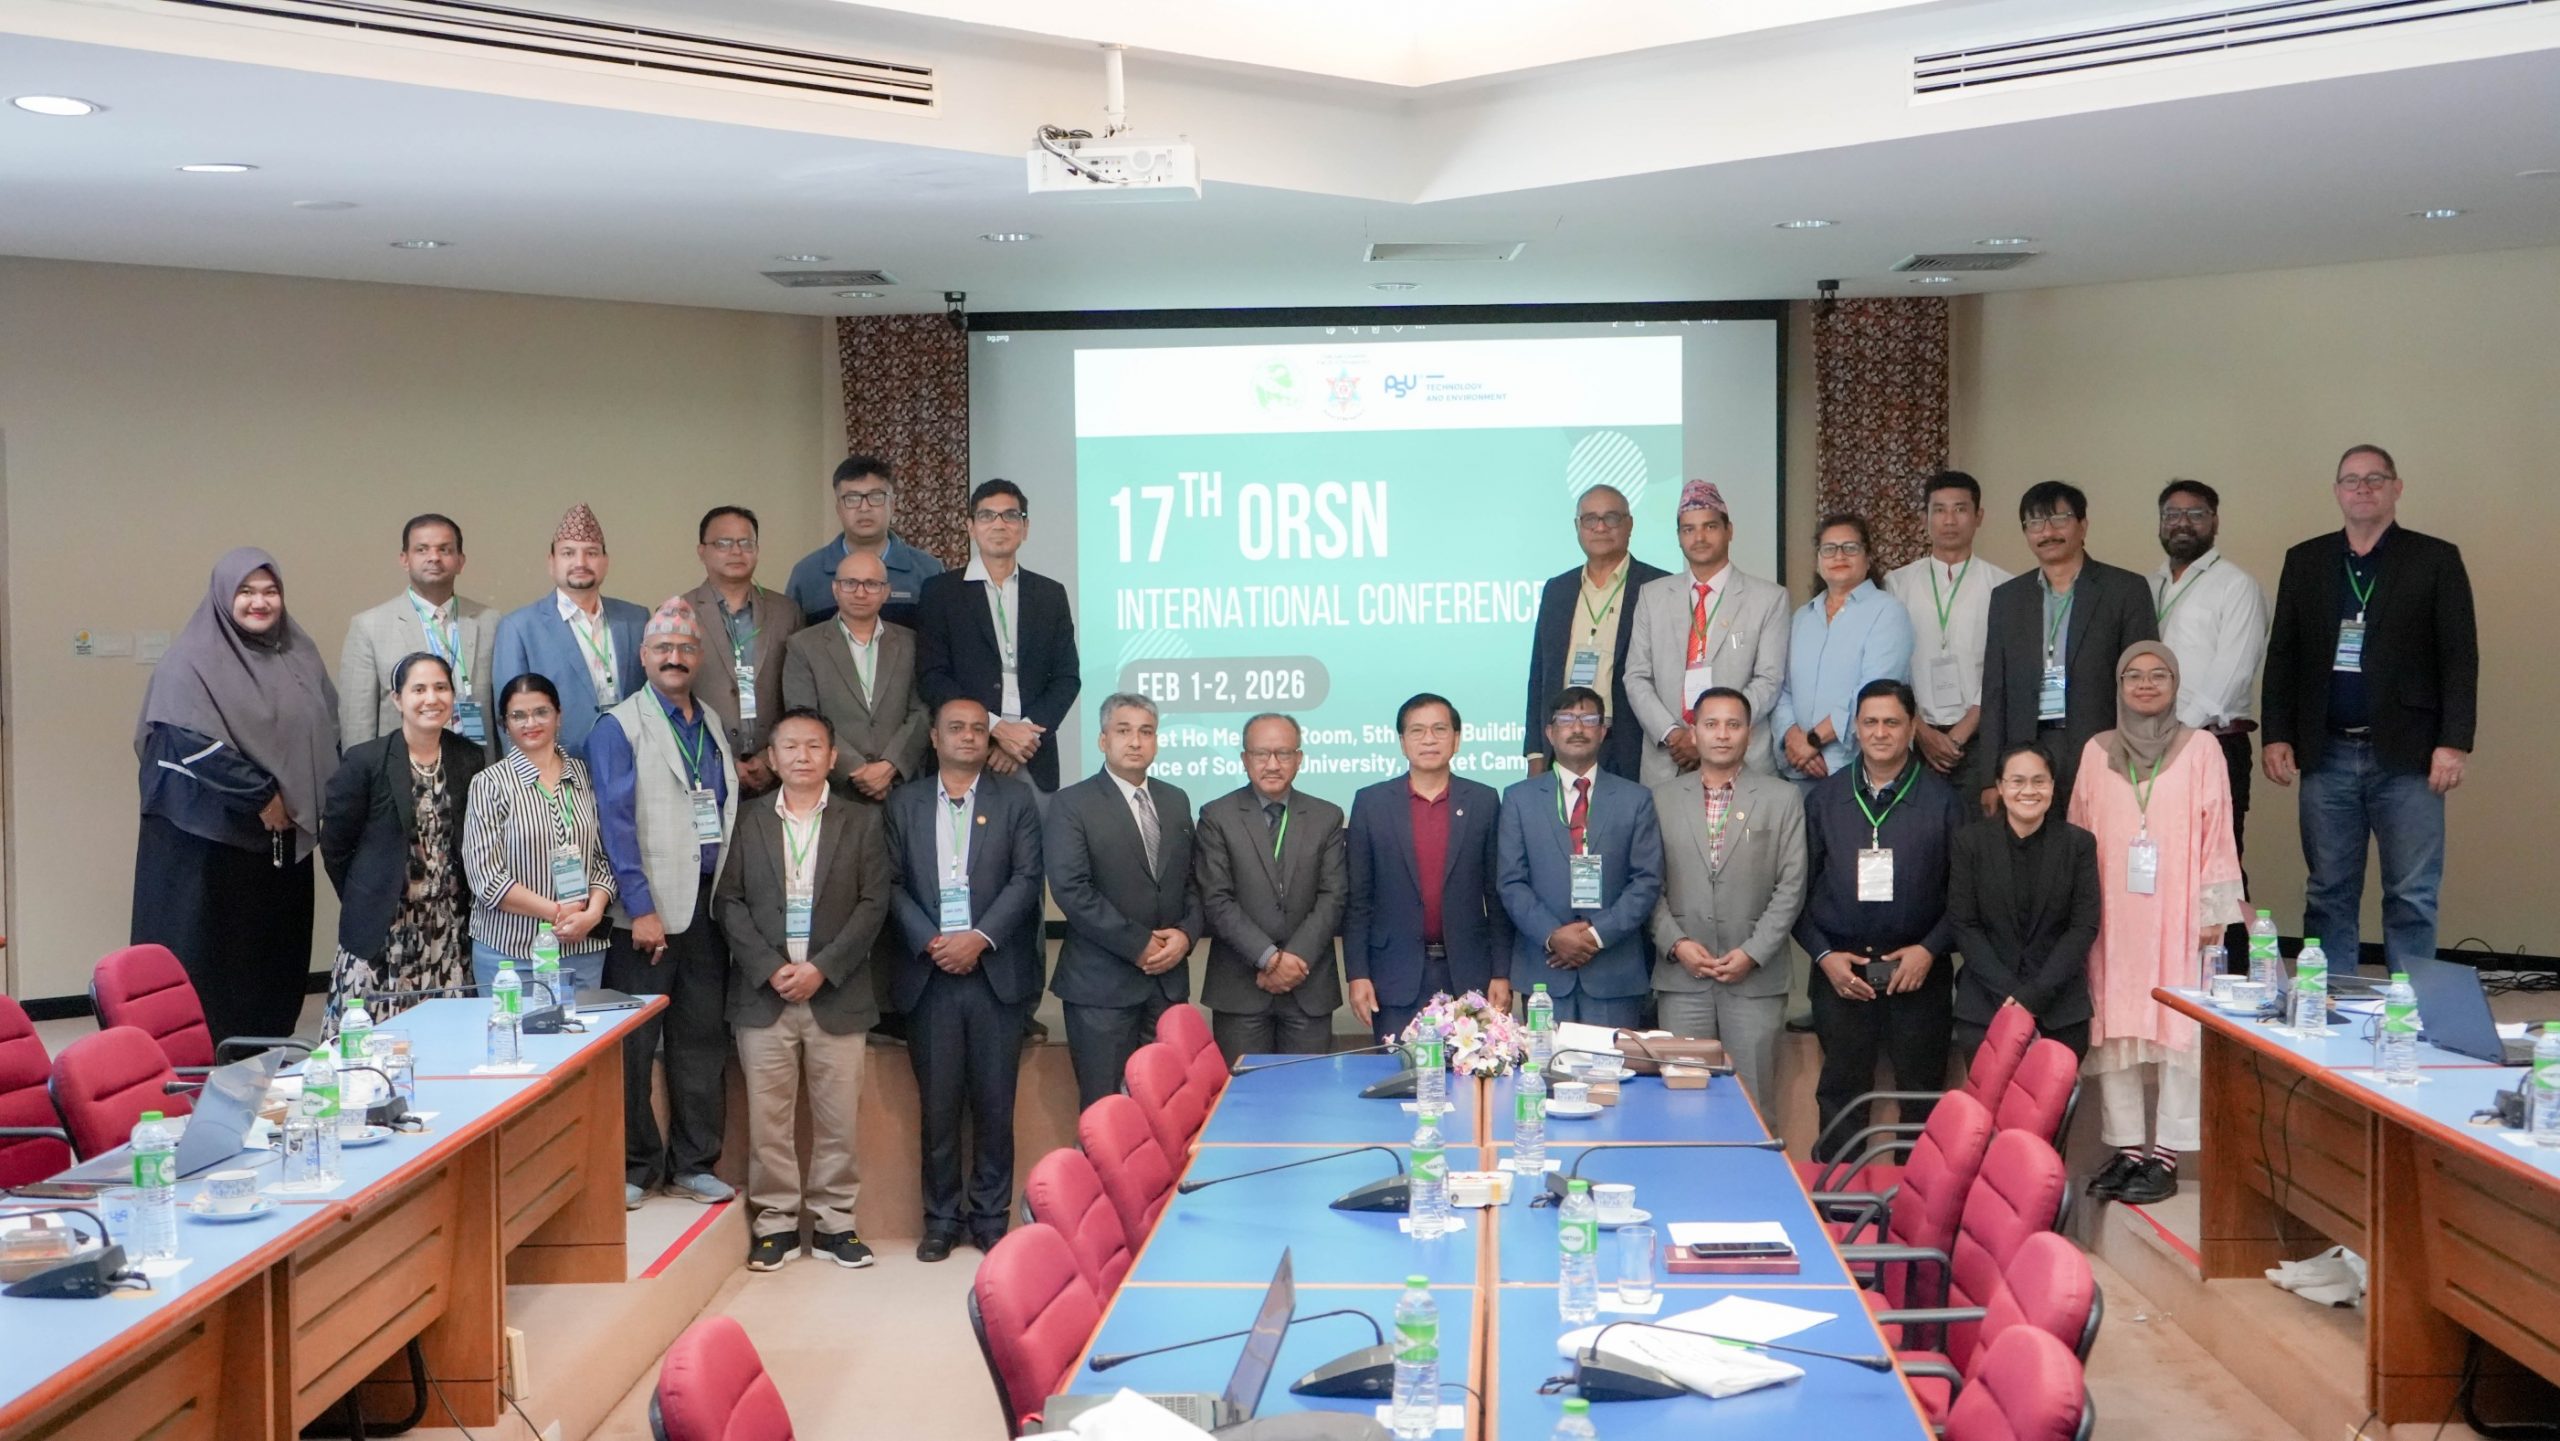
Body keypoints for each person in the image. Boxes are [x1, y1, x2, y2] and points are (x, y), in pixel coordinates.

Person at [2262, 444, 2477, 972]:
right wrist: (2276, 733)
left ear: (2396, 488)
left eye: (2375, 479)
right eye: (2351, 480)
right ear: (2337, 491)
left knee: (2411, 892)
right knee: (2327, 889)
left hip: (2409, 756)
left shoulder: (2435, 558)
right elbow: (2284, 654)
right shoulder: (2306, 560)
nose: (2363, 488)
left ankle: (2411, 1002)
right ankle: (2330, 1001)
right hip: (2327, 752)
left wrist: (2453, 743)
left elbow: (2459, 656)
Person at [132, 547, 341, 1044]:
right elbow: (190, 741)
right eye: (246, 591)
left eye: (270, 591)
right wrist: (263, 797)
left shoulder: (298, 651)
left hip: (282, 837)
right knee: (214, 957)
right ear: (223, 596)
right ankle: (207, 1056)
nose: (259, 602)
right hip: (208, 841)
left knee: (273, 953)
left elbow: (326, 724)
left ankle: (266, 1045)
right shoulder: (189, 661)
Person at [716, 706, 893, 1272]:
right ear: (771, 757)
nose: (802, 756)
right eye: (789, 746)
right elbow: (728, 901)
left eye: (814, 746)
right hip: (763, 994)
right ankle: (776, 1225)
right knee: (768, 1122)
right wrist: (770, 967)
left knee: (838, 1120)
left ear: (832, 757)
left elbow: (873, 904)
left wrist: (823, 967)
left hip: (836, 993)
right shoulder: (744, 819)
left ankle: (837, 1224)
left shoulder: (860, 821)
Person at [2073, 642, 2243, 1206]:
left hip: (2179, 913)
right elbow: (2077, 833)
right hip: (2113, 919)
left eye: (2158, 675)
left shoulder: (2202, 749)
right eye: (2134, 676)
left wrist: (2214, 911)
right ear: (2119, 686)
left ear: (2175, 684)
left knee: (2180, 1029)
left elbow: (2219, 830)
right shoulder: (2095, 751)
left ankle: (2166, 1156)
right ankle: (2127, 1150)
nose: (2146, 685)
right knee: (2114, 1024)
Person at [591, 599, 740, 1208]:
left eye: (684, 649)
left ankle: (695, 1164)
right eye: (662, 649)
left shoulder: (710, 720)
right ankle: (635, 1166)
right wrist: (640, 907)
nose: (674, 658)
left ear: (698, 657)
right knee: (633, 1047)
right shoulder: (617, 726)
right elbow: (615, 823)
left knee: (701, 1040)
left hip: (707, 906)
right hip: (645, 913)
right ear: (643, 656)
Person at [886, 699, 1047, 1261]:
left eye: (980, 729)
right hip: (929, 976)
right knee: (939, 1108)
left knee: (995, 1106)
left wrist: (979, 938)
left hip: (995, 973)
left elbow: (1027, 878)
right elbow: (890, 882)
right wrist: (933, 941)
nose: (969, 737)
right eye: (956, 728)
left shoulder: (1015, 799)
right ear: (934, 737)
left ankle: (989, 1218)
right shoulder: (904, 802)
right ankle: (940, 1220)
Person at [1794, 680, 1964, 1157]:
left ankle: (1918, 1198)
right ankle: (1838, 1198)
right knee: (1840, 1094)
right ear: (1855, 728)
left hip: (1919, 974)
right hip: (1842, 975)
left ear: (1912, 728)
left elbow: (1966, 897)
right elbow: (1794, 895)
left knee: (1922, 1098)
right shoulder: (1824, 801)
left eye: (1892, 722)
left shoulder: (1944, 802)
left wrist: (1930, 950)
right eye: (1870, 722)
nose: (1880, 732)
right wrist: (1824, 957)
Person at [1646, 687, 1806, 1110]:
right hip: (1683, 978)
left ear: (1749, 734)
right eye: (1711, 724)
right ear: (1693, 733)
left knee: (1753, 1107)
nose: (1722, 734)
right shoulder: (1660, 799)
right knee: (1683, 1105)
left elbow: (1791, 886)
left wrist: (1753, 953)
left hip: (1754, 980)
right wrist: (1676, 944)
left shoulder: (1781, 798)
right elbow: (1647, 885)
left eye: (1733, 725)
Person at [1045, 693, 1202, 1109]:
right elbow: (1072, 890)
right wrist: (1139, 943)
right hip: (1101, 988)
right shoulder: (1071, 803)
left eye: (1146, 732)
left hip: (1167, 984)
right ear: (1102, 740)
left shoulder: (1176, 800)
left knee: (1168, 1110)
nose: (1135, 741)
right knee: (1107, 1113)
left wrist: (1186, 936)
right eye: (1124, 730)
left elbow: (1192, 882)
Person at [319, 652, 489, 1033]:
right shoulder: (366, 761)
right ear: (397, 699)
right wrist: (368, 895)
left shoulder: (469, 758)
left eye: (441, 688)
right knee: (375, 1045)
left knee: (446, 1039)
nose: (431, 698)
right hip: (383, 928)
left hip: (447, 927)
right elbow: (335, 845)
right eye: (419, 689)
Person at [1978, 481, 2158, 818]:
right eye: (2035, 523)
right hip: (2026, 749)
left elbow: (2141, 684)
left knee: (2097, 843)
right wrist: (1991, 775)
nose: (2047, 532)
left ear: (2083, 525)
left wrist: (2139, 759)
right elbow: (1994, 690)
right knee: (2033, 846)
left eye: (2059, 519)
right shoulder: (2007, 598)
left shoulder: (2125, 590)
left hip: (2102, 747)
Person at [1343, 694, 1514, 1045]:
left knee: (1469, 1072)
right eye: (1417, 731)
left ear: (1457, 739)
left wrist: (1501, 972)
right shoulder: (1371, 803)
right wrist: (1357, 974)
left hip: (1468, 972)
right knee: (1398, 1072)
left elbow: (1496, 895)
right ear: (1402, 741)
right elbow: (1358, 899)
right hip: (1393, 974)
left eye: (1439, 729)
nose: (1429, 739)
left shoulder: (1483, 801)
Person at [2147, 480, 2270, 962]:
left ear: (2214, 521)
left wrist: (2175, 736)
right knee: (2159, 859)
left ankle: (2233, 974)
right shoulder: (2149, 585)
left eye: (2195, 514)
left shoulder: (2236, 586)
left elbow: (2231, 674)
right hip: (2149, 746)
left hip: (2213, 744)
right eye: (2171, 514)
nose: (2182, 523)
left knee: (2219, 864)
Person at [1497, 686, 1665, 1028]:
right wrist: (1553, 935)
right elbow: (1511, 882)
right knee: (1545, 1063)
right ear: (1549, 732)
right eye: (1566, 719)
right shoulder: (1518, 798)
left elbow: (1646, 880)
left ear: (1603, 731)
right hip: (1545, 970)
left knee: (1611, 1064)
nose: (1577, 728)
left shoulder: (1635, 799)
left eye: (1588, 719)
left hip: (1613, 972)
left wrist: (1597, 935)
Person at [1194, 714, 1347, 1059]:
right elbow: (1216, 899)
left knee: (1310, 1089)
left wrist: (1294, 960)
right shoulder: (1217, 816)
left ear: (1299, 758)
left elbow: (1333, 895)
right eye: (1261, 754)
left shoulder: (1326, 816)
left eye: (1284, 753)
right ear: (1244, 759)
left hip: (1308, 984)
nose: (1273, 764)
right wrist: (1269, 959)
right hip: (1240, 988)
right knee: (1244, 1091)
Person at [916, 480, 1080, 794]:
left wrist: (1024, 736)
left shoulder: (1049, 594)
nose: (999, 524)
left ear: (1025, 527)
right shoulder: (941, 593)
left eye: (1010, 516)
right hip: (964, 752)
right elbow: (932, 677)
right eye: (987, 516)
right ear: (971, 527)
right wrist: (995, 729)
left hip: (1032, 755)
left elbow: (1066, 678)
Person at [1622, 480, 1790, 783]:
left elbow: (1768, 680)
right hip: (1668, 760)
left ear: (1729, 530)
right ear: (1678, 537)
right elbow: (1636, 677)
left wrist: (1710, 733)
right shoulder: (1652, 595)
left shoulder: (1768, 598)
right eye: (1688, 529)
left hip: (1742, 761)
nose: (1699, 537)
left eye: (1710, 527)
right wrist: (1673, 734)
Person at [462, 674, 614, 997]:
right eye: (518, 715)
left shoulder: (584, 775)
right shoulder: (489, 784)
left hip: (582, 947)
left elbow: (603, 859)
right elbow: (485, 878)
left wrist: (593, 914)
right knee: (514, 1032)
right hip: (510, 953)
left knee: (581, 1031)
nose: (530, 723)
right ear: (505, 725)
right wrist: (556, 912)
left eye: (541, 712)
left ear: (559, 716)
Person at [1947, 743, 2100, 1059]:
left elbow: (2083, 926)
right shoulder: (1970, 843)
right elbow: (1964, 924)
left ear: (2052, 786)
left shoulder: (2078, 844)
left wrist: (2035, 995)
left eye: (2039, 781)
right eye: (2017, 781)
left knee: (2055, 1094)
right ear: (2000, 787)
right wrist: (2011, 994)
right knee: (1987, 1094)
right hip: (1986, 1005)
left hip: (2059, 1008)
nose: (2029, 791)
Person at [1524, 484, 1669, 781]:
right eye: (1590, 519)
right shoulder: (1557, 589)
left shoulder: (1659, 586)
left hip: (1632, 743)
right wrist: (1536, 753)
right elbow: (1539, 675)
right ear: (1577, 526)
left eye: (1611, 518)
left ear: (1629, 525)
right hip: (1566, 742)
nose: (1600, 527)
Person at [1884, 471, 2011, 792]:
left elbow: (2004, 666)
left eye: (1960, 509)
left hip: (1979, 736)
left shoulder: (2004, 586)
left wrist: (1961, 732)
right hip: (1913, 736)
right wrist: (1920, 730)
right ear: (1925, 518)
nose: (1949, 520)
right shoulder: (1897, 584)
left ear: (1979, 517)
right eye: (1939, 510)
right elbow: (1890, 666)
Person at [490, 504, 649, 760]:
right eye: (568, 553)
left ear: (606, 562)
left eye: (591, 553)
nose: (580, 562)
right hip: (559, 768)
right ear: (551, 562)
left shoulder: (636, 619)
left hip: (633, 762)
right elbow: (510, 719)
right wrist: (528, 778)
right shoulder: (519, 627)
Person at [338, 513, 498, 755]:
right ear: (405, 559)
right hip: (401, 770)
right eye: (422, 549)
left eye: (444, 549)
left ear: (460, 561)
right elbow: (357, 724)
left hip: (478, 767)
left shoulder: (490, 622)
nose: (434, 557)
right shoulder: (368, 627)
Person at [1774, 514, 1915, 787]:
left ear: (1868, 557)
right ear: (1818, 560)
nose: (1839, 556)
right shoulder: (1802, 617)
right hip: (1799, 769)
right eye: (1829, 549)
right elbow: (1783, 690)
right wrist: (1793, 738)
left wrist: (1813, 741)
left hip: (1857, 768)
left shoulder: (1888, 612)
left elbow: (1874, 692)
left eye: (1850, 547)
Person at [780, 550, 931, 802]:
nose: (860, 593)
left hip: (902, 789)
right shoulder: (803, 645)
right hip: (835, 790)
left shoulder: (911, 642)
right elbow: (803, 716)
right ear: (835, 589)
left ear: (886, 591)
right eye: (850, 583)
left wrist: (891, 765)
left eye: (871, 584)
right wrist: (855, 769)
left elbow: (922, 711)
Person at [685, 506, 804, 796]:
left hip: (776, 772)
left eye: (745, 543)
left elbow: (798, 694)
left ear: (757, 549)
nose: (736, 551)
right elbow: (670, 701)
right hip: (705, 771)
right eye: (724, 543)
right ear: (702, 551)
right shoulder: (679, 612)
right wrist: (722, 762)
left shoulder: (786, 611)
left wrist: (770, 758)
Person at [786, 455, 944, 630]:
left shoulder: (928, 571)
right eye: (852, 499)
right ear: (838, 509)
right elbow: (794, 640)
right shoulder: (807, 574)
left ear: (892, 505)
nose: (864, 508)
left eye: (876, 497)